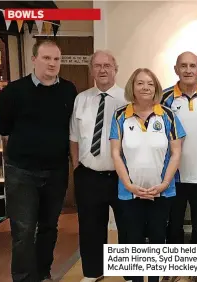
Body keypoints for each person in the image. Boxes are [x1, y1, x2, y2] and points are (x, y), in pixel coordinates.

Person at [0, 39, 77, 282]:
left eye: (56, 59)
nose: (52, 63)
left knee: (49, 228)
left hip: (56, 170)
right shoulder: (14, 90)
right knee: (24, 230)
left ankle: (43, 274)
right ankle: (23, 278)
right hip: (22, 172)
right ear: (34, 60)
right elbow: (2, 127)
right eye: (46, 58)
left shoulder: (68, 90)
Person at [110, 68, 185, 282]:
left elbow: (176, 152)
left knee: (157, 241)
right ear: (132, 87)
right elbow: (115, 153)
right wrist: (129, 185)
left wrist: (164, 184)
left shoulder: (168, 115)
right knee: (132, 242)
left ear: (156, 88)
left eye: (150, 84)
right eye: (140, 83)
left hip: (161, 192)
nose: (145, 87)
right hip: (129, 193)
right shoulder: (120, 115)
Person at [69, 50, 128, 282]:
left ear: (115, 69)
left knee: (127, 226)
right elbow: (74, 137)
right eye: (97, 66)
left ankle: (128, 273)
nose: (102, 70)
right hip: (89, 175)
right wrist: (77, 165)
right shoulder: (81, 99)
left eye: (107, 65)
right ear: (91, 70)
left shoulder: (127, 99)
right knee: (90, 228)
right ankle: (93, 272)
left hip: (121, 176)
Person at [163, 52, 197, 246]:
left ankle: (196, 270)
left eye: (192, 66)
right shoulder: (165, 97)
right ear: (176, 69)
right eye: (183, 66)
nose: (188, 70)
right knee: (174, 225)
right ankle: (174, 270)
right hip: (174, 176)